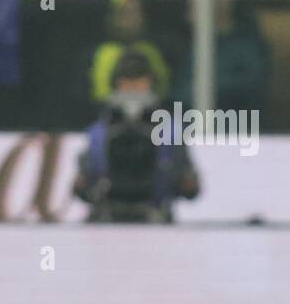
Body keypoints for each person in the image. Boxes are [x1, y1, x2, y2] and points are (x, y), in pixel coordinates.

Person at [74, 51, 199, 223]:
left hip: (155, 217)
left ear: (150, 83)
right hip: (107, 216)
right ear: (117, 84)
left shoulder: (171, 131)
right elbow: (85, 183)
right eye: (126, 80)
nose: (133, 86)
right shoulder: (99, 131)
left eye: (139, 80)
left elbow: (188, 185)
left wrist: (186, 181)